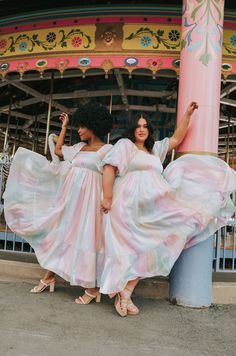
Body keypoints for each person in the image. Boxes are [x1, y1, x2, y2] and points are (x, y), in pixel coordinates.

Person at [100, 102, 236, 316]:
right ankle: (122, 292)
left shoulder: (155, 150)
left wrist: (188, 115)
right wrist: (107, 197)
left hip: (155, 205)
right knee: (129, 249)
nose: (142, 129)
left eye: (145, 126)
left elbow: (175, 139)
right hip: (128, 204)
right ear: (132, 129)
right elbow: (109, 167)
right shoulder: (125, 145)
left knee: (155, 245)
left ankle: (126, 291)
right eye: (138, 125)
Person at [4, 102, 112, 304]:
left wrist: (107, 199)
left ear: (93, 126)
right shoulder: (79, 148)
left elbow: (111, 176)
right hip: (70, 200)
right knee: (61, 235)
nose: (78, 130)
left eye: (82, 126)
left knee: (84, 241)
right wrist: (64, 128)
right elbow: (60, 151)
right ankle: (49, 276)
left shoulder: (108, 150)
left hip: (89, 204)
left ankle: (91, 287)